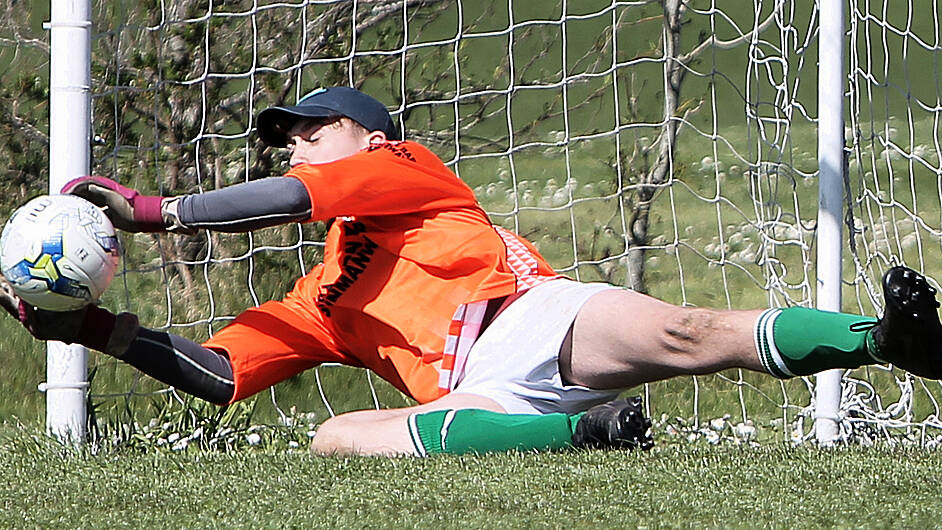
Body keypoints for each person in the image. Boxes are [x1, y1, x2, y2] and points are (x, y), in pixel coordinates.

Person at [3, 86, 941, 456]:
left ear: (370, 138)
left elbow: (294, 198)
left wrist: (154, 213)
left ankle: (887, 339)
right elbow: (218, 372)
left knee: (688, 332)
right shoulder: (318, 298)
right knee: (334, 441)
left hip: (529, 318)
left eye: (310, 130)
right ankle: (589, 438)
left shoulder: (406, 170)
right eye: (288, 138)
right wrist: (87, 328)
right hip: (467, 401)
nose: (297, 146)